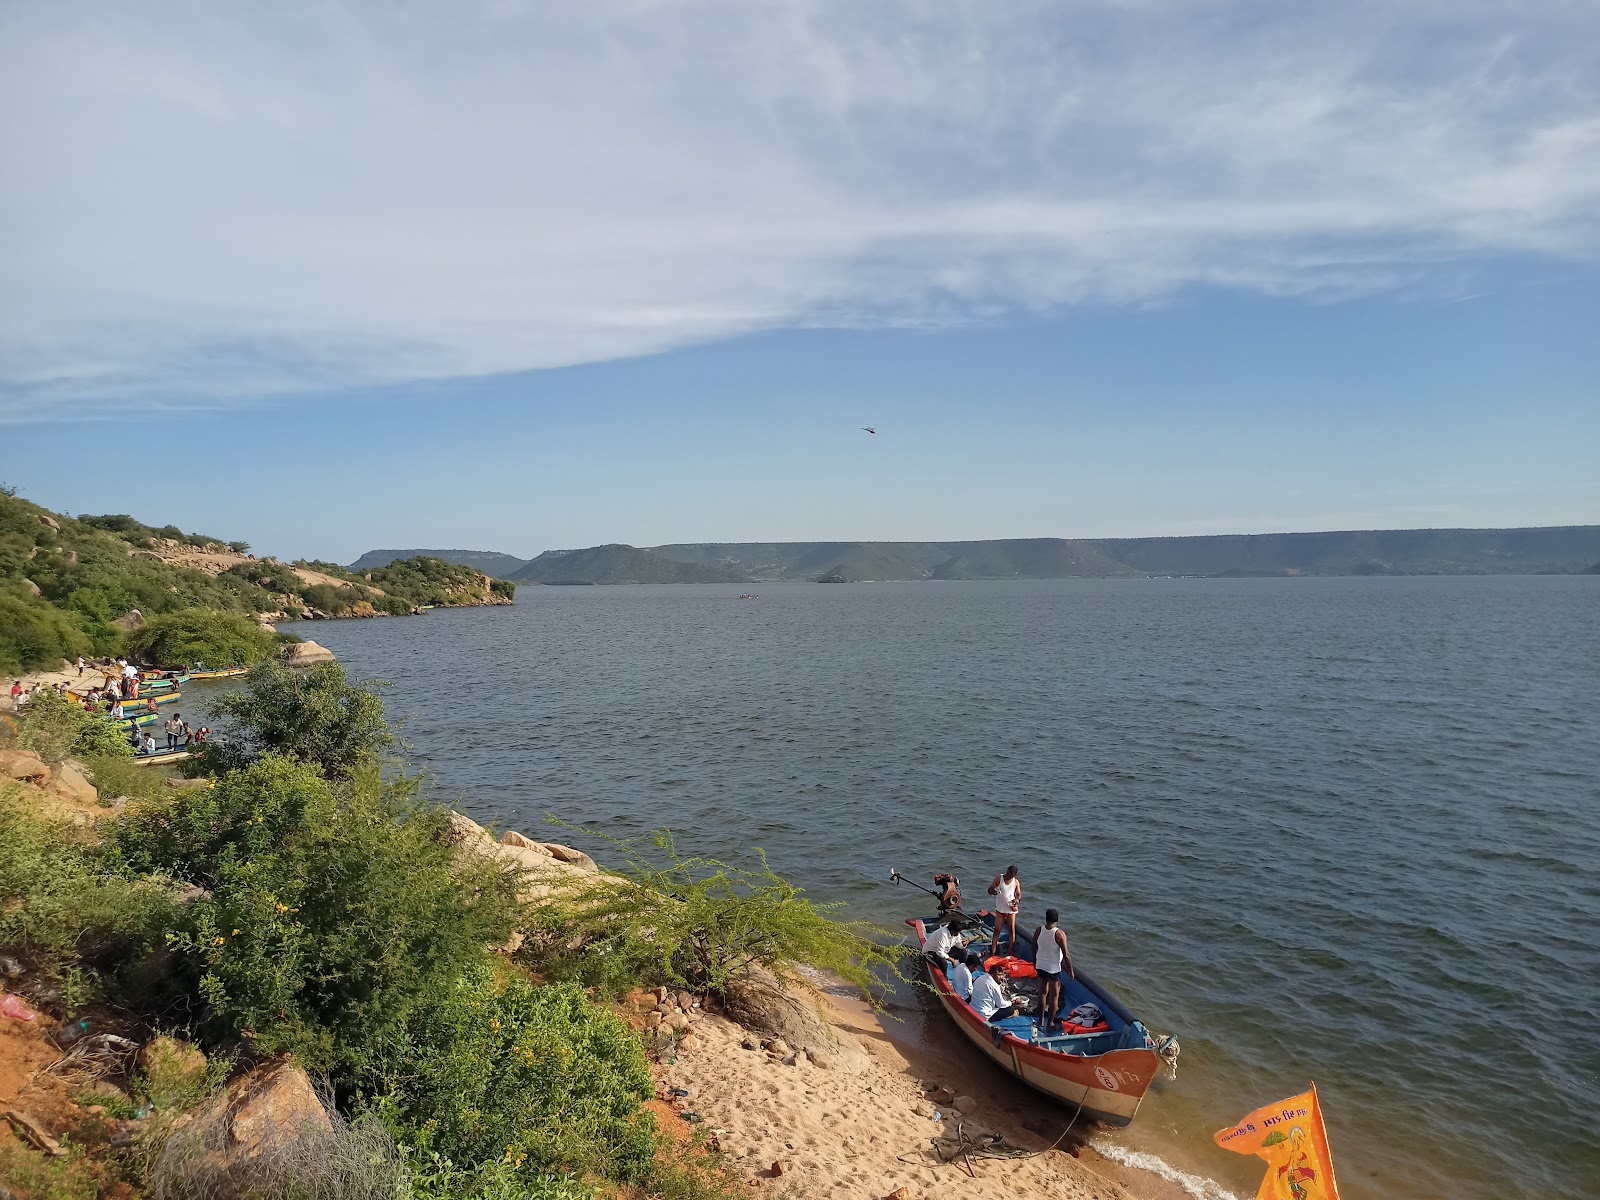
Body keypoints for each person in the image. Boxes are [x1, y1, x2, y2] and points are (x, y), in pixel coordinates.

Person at [1030, 908, 1074, 1033]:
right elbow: (1066, 955)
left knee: (1042, 994)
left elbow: (1033, 947)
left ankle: (1041, 1020)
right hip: (1053, 969)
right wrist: (1070, 970)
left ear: (1046, 918)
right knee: (1054, 996)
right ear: (1057, 920)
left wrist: (1035, 962)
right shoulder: (1059, 934)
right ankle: (1050, 1023)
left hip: (1041, 966)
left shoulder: (1039, 930)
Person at [967, 953, 1021, 1024]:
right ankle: (1011, 1015)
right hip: (984, 1014)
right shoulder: (994, 985)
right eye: (999, 975)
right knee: (1010, 1010)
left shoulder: (980, 978)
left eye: (1001, 975)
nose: (1001, 977)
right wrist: (1012, 1002)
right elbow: (1001, 1004)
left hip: (973, 1007)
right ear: (992, 974)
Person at [988, 864, 1021, 956]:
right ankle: (993, 952)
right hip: (1000, 910)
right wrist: (993, 892)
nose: (1009, 876)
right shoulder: (999, 878)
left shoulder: (1016, 882)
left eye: (1011, 875)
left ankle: (1011, 952)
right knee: (997, 931)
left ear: (1014, 875)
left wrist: (1017, 900)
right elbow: (990, 889)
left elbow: (1018, 894)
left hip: (1011, 910)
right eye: (1008, 873)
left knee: (1011, 930)